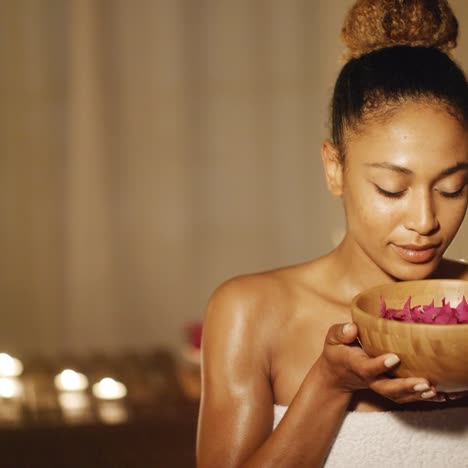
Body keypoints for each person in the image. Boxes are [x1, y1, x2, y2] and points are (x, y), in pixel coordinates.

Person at [196, 0, 468, 466]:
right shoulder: (252, 312)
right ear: (334, 168)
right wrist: (329, 383)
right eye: (391, 188)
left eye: (452, 187)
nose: (425, 221)